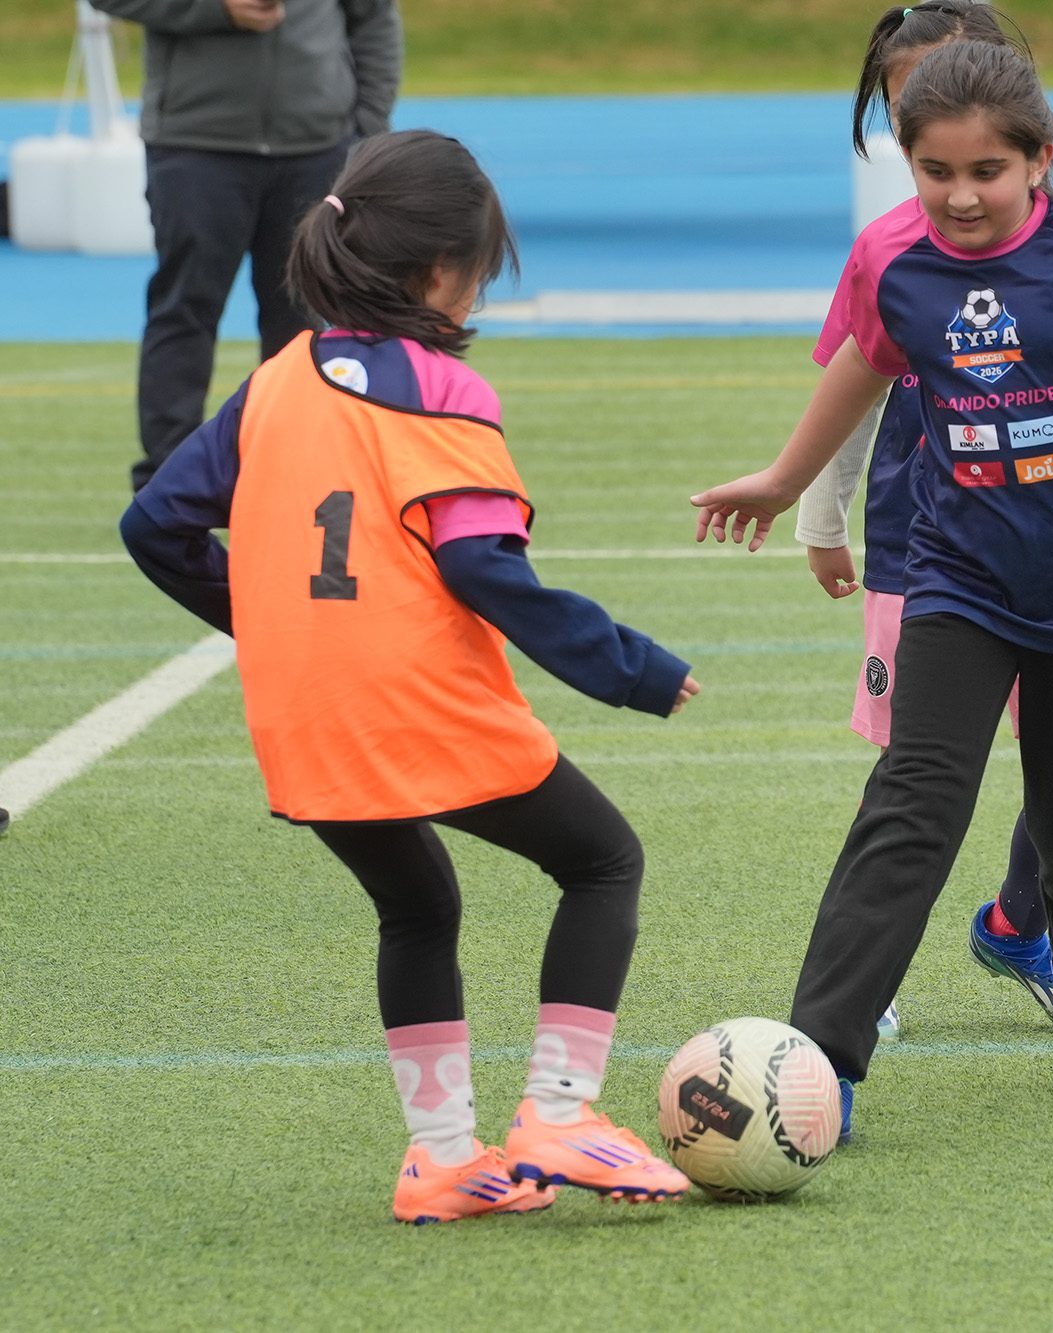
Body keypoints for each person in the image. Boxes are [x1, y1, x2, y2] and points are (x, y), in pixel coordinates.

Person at [120, 130, 695, 1224]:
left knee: (418, 906)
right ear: (439, 273)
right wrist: (632, 667)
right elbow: (483, 568)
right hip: (411, 702)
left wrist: (268, 620)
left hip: (302, 712)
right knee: (601, 860)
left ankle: (441, 1159)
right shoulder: (443, 391)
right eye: (480, 268)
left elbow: (154, 525)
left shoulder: (276, 379)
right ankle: (559, 1113)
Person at [692, 43, 1053, 1134]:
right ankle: (821, 1057)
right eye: (935, 171)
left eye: (987, 171)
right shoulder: (899, 265)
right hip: (958, 578)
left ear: (1039, 160)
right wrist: (784, 481)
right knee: (911, 803)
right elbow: (863, 361)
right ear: (906, 162)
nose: (960, 195)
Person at [798, 2, 1053, 1043]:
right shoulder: (890, 253)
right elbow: (852, 381)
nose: (956, 178)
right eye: (912, 115)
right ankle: (853, 998)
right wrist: (815, 511)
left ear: (1025, 133)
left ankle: (1029, 923)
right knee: (916, 780)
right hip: (931, 539)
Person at [90, 0, 402, 492]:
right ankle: (170, 486)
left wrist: (366, 130)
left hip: (316, 147)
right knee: (186, 310)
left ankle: (294, 481)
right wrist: (216, 8)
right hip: (197, 144)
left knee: (304, 320)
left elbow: (375, 16)